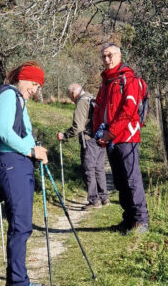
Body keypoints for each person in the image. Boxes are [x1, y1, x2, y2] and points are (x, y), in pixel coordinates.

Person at [0, 61, 48, 286]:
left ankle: (17, 281)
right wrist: (30, 150)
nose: (35, 90)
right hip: (11, 163)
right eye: (34, 84)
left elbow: (22, 133)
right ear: (23, 78)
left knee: (22, 224)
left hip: (20, 163)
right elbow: (4, 131)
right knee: (20, 225)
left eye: (38, 86)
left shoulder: (19, 100)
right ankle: (18, 283)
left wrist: (36, 151)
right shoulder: (8, 95)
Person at [93, 43, 149, 234]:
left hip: (127, 137)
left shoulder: (129, 79)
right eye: (104, 56)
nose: (107, 60)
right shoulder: (105, 82)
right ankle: (128, 220)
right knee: (119, 180)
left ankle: (141, 222)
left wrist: (111, 133)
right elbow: (99, 109)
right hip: (110, 139)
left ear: (119, 55)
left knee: (132, 179)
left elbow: (129, 110)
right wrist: (98, 133)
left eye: (110, 55)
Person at [57, 83, 109, 210]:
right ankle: (104, 198)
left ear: (74, 92)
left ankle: (94, 201)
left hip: (89, 140)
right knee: (99, 169)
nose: (70, 98)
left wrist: (65, 136)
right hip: (100, 137)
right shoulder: (91, 98)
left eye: (70, 96)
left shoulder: (81, 102)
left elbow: (78, 127)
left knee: (88, 170)